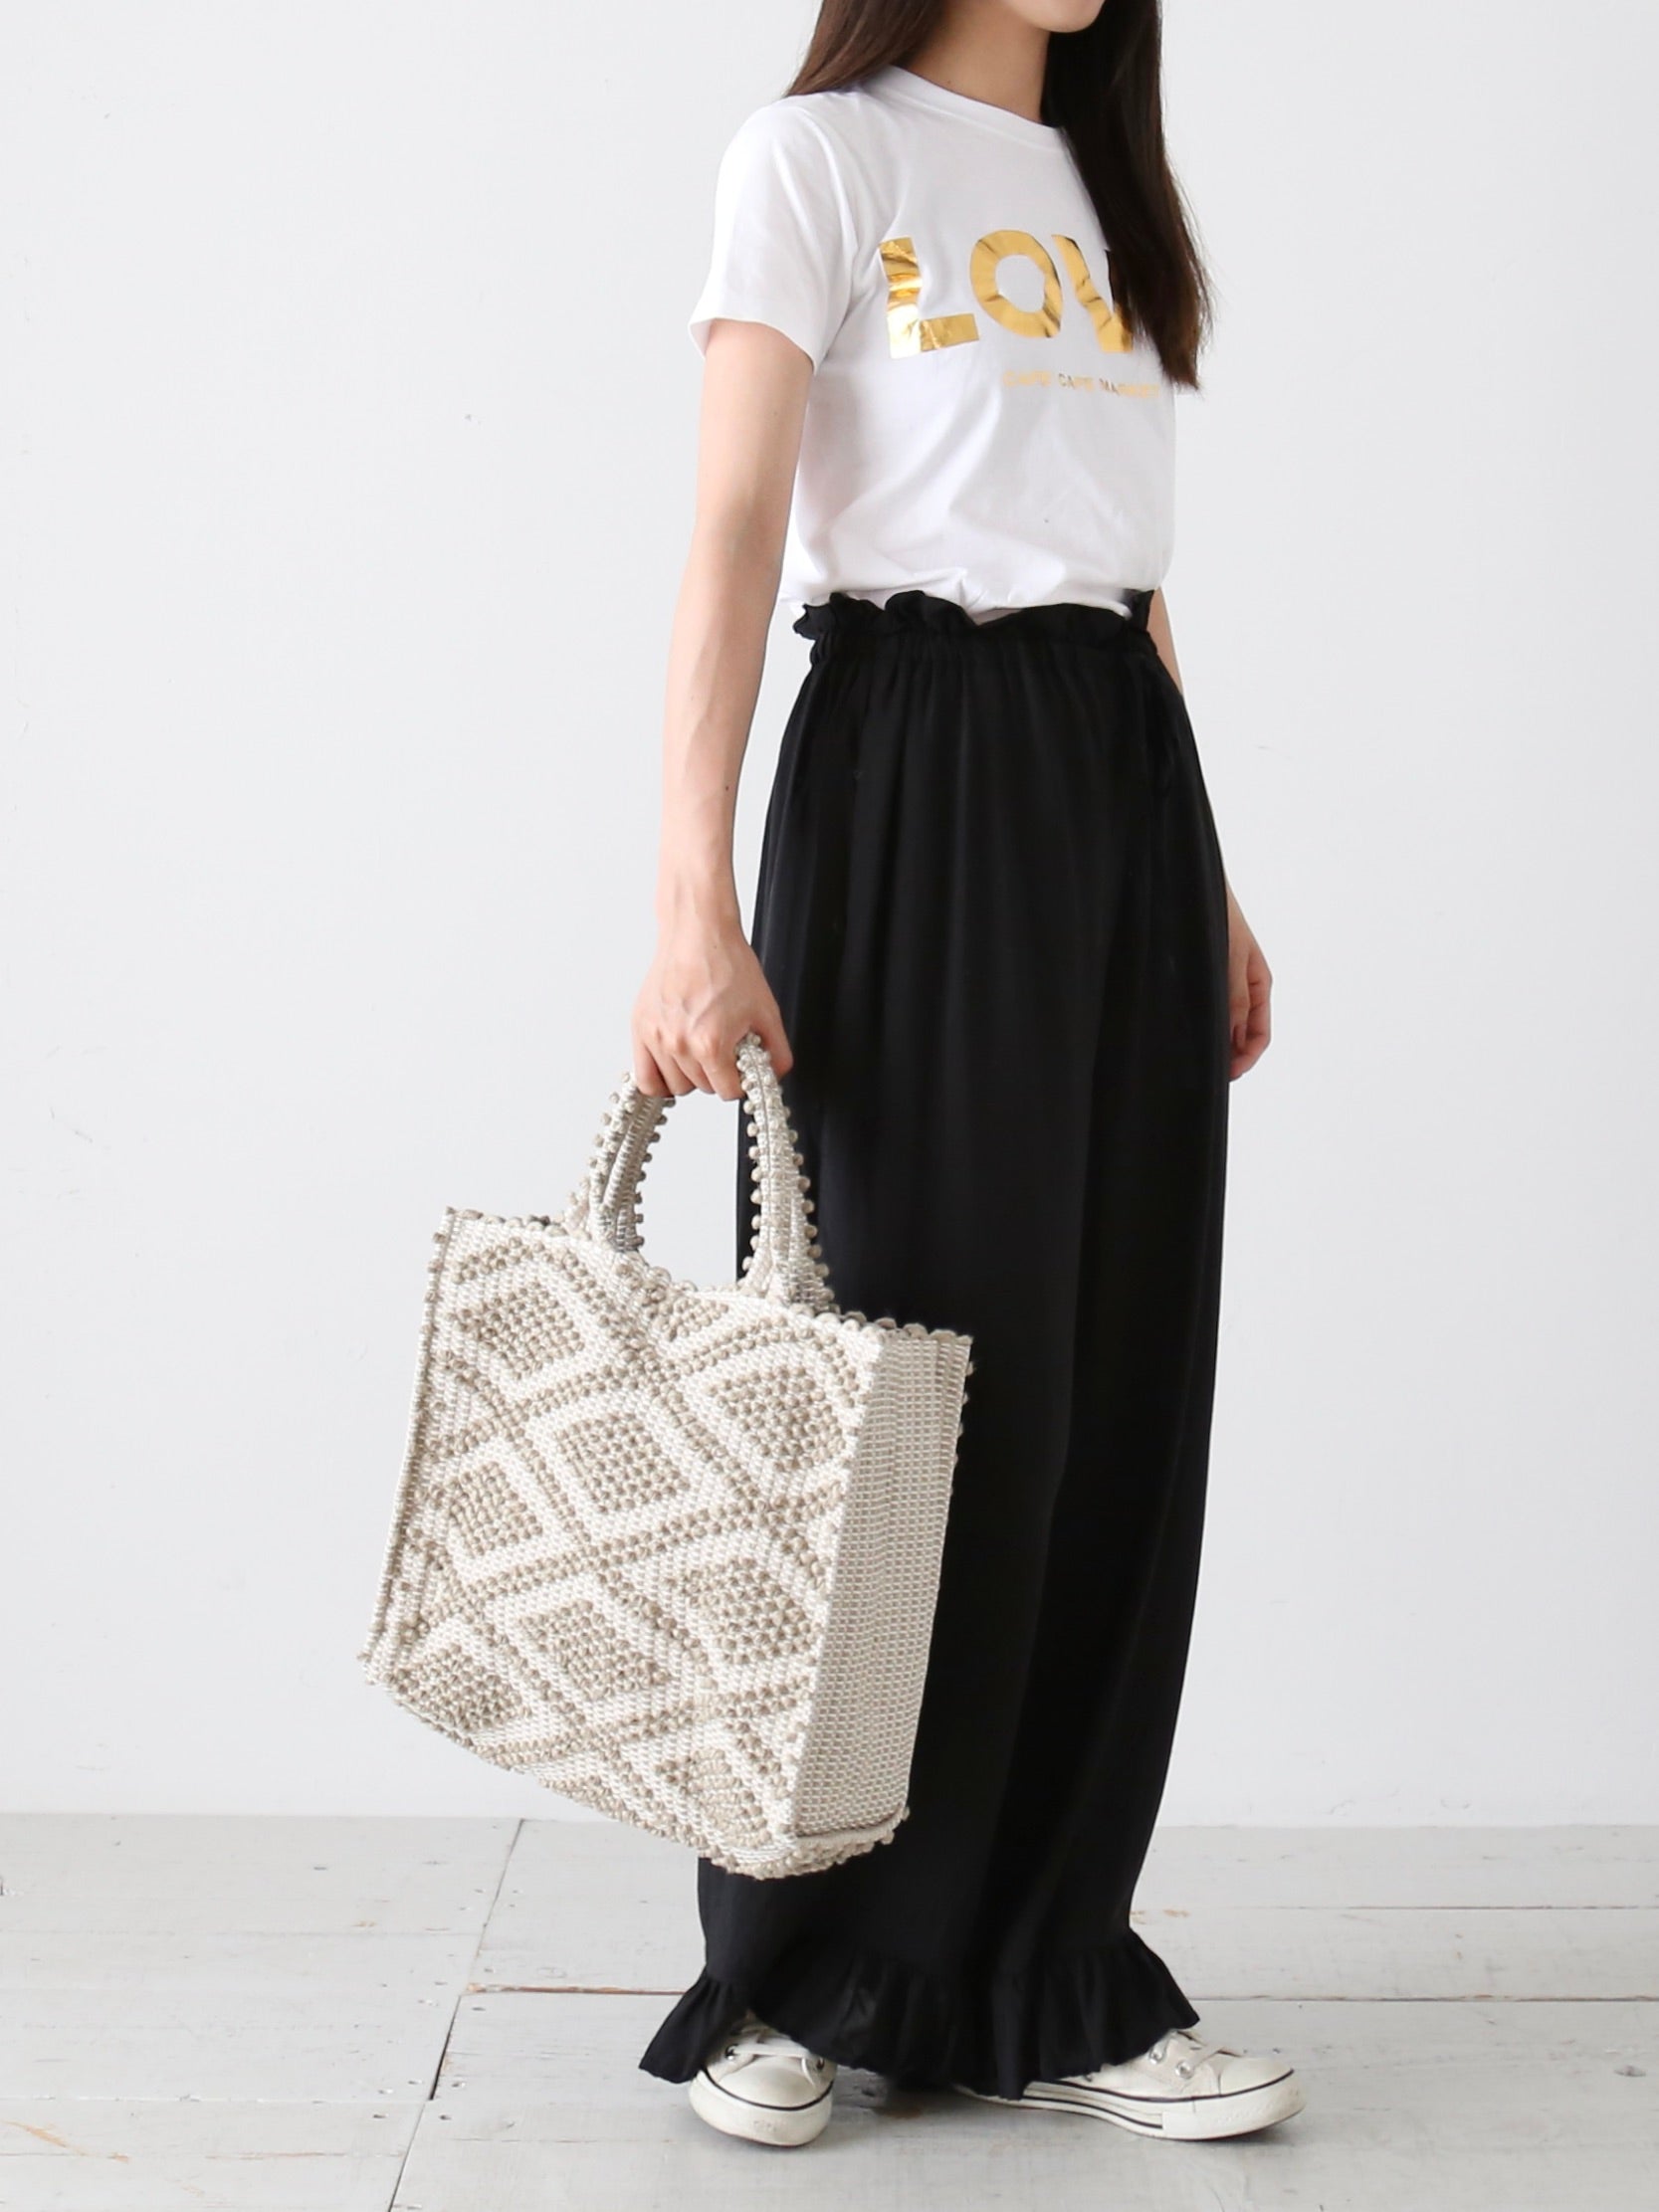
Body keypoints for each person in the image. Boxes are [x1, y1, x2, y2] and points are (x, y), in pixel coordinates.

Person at [629, 0, 1300, 2150]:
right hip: (914, 771)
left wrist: (1210, 881)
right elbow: (736, 526)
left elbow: (1125, 570)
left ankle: (1050, 1968)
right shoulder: (818, 157)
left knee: (1109, 1397)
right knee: (889, 1395)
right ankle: (797, 1967)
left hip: (1120, 784)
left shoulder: (1106, 188)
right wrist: (688, 898)